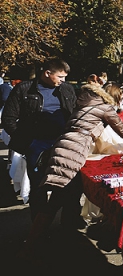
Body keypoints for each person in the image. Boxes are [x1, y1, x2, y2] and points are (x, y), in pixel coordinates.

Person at [22, 82, 123, 253]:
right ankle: (32, 244)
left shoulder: (82, 106)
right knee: (58, 198)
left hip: (62, 145)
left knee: (68, 193)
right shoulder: (104, 108)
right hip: (74, 150)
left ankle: (59, 236)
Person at [2, 58, 77, 220]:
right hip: (35, 145)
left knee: (68, 183)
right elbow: (8, 118)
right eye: (60, 77)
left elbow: (74, 113)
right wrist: (27, 143)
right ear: (47, 73)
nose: (63, 80)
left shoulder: (67, 89)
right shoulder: (24, 89)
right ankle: (38, 226)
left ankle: (65, 221)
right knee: (38, 186)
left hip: (63, 143)